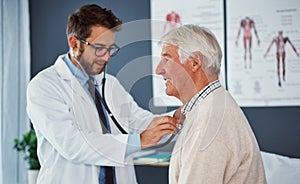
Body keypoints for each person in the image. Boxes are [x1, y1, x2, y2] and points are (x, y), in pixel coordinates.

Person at [26, 4, 178, 184]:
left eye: (110, 49)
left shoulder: (110, 84)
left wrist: (176, 118)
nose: (106, 57)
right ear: (74, 43)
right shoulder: (45, 85)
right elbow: (72, 144)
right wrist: (138, 141)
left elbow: (137, 121)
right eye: (99, 48)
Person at [156, 24, 266, 183]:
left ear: (194, 62)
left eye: (166, 59)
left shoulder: (210, 121)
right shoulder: (211, 107)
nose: (159, 70)